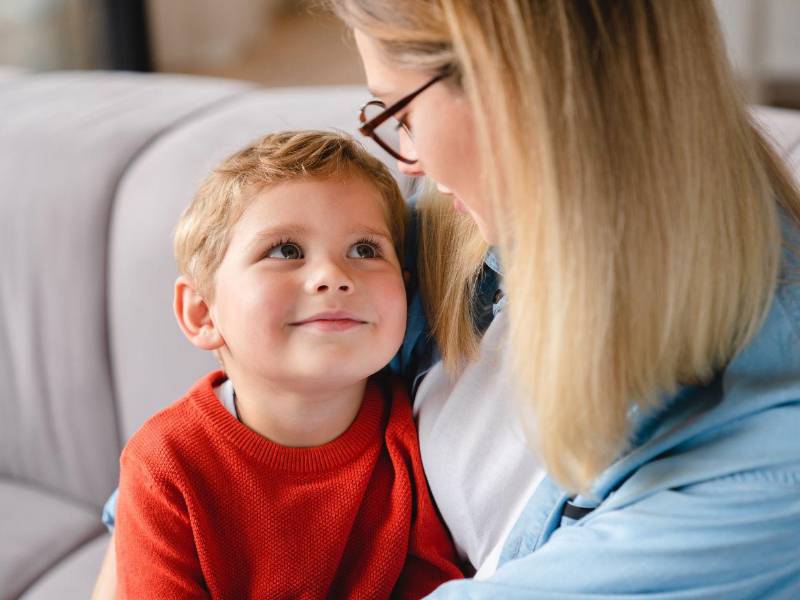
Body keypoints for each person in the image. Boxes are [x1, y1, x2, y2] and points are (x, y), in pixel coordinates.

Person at [96, 1, 800, 597]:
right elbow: (167, 504)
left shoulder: (761, 465)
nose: (410, 162)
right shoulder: (458, 225)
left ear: (512, 88)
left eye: (400, 111)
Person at [111, 130, 462, 599]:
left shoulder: (416, 436)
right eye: (286, 251)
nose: (334, 277)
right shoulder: (165, 466)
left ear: (405, 289)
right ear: (202, 312)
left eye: (364, 250)